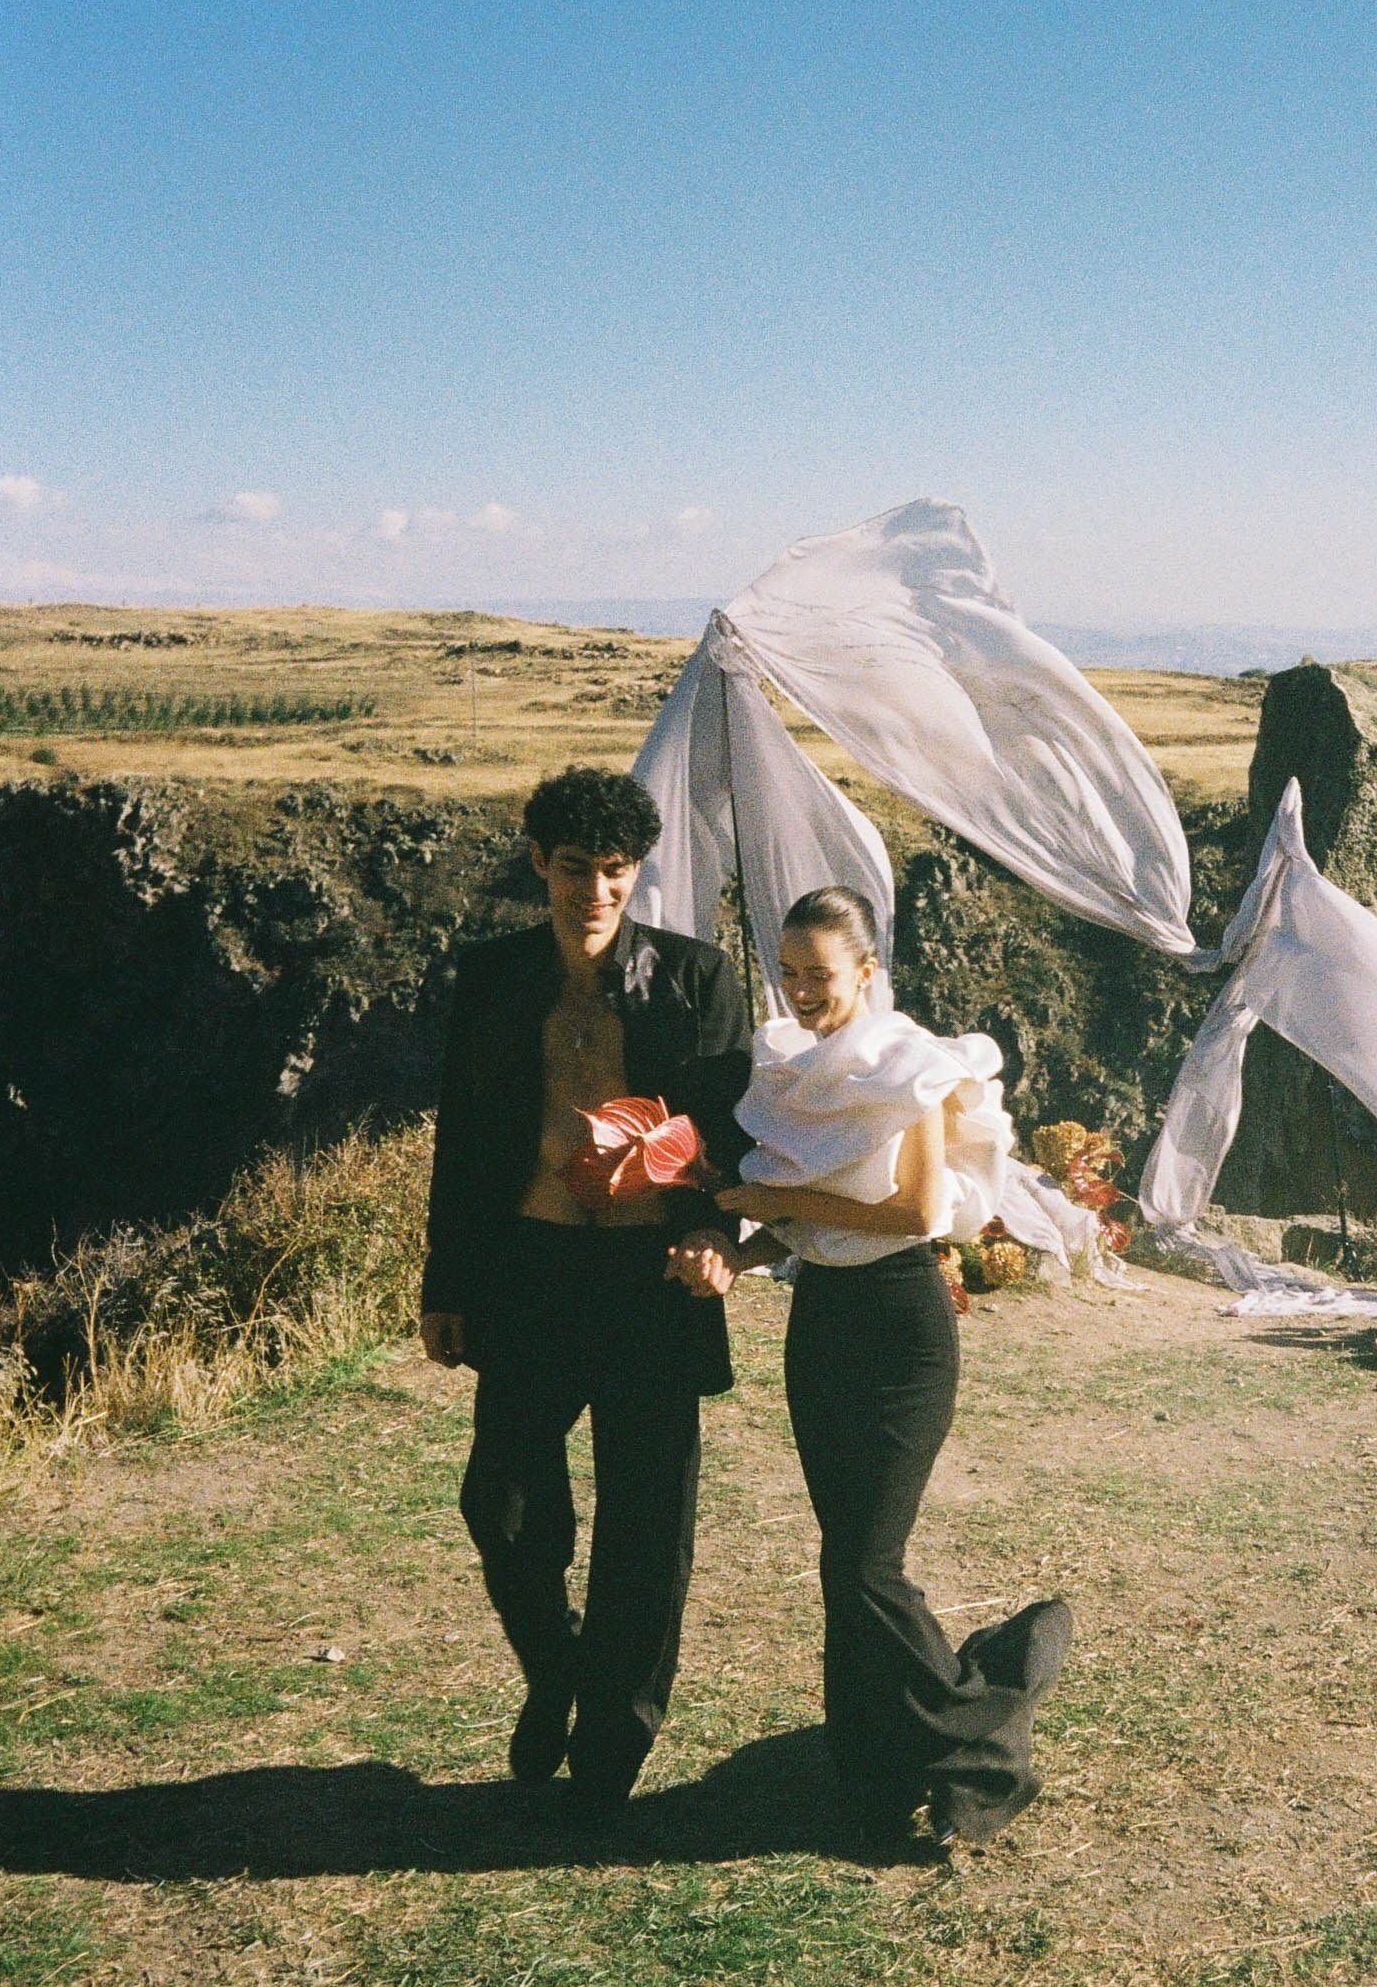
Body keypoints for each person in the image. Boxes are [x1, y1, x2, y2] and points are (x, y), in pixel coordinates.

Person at [669, 885, 1072, 1858]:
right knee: (841, 1561)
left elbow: (914, 1213)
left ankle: (986, 1733)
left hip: (902, 1326)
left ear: (866, 971)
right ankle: (870, 1775)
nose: (802, 991)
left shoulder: (908, 1064)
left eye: (821, 973)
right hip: (823, 1323)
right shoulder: (792, 1071)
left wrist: (772, 1198)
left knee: (867, 1563)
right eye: (789, 973)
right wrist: (737, 1254)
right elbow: (806, 1229)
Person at [420, 767, 751, 1810]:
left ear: (637, 871)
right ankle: (556, 1666)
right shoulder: (493, 977)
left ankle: (614, 1742)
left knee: (648, 1520)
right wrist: (445, 1283)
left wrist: (717, 1233)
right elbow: (463, 1138)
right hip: (530, 1264)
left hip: (651, 1277)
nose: (595, 892)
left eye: (615, 871)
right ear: (538, 864)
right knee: (502, 1502)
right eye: (574, 868)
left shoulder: (695, 979)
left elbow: (734, 1129)